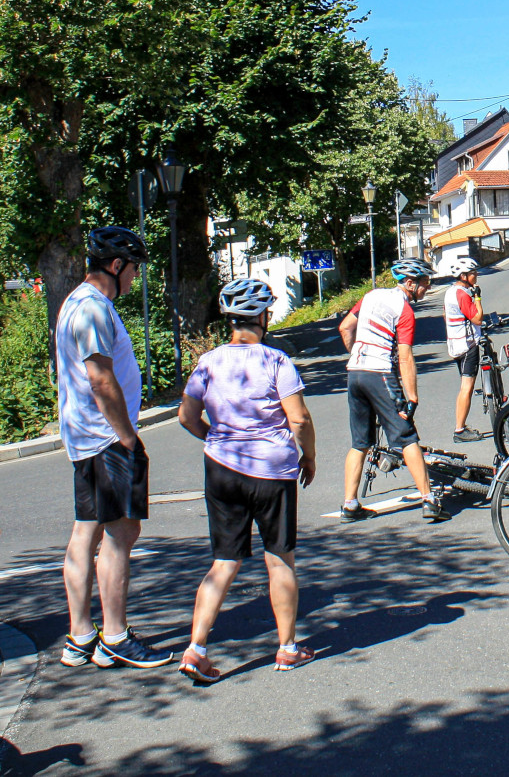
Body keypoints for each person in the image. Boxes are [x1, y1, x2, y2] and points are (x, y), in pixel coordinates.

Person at [177, 279, 317, 682]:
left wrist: (216, 439)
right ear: (261, 317)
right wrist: (307, 456)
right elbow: (299, 418)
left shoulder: (208, 362)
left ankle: (196, 648)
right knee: (280, 558)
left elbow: (186, 417)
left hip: (222, 468)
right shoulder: (276, 361)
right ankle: (287, 648)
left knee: (223, 561)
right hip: (272, 471)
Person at [57, 226, 172, 669]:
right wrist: (127, 435)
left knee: (86, 532)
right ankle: (115, 637)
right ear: (117, 265)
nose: (134, 279)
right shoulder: (92, 308)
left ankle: (80, 636)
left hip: (84, 435)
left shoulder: (74, 302)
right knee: (121, 534)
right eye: (134, 269)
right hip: (105, 438)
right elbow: (100, 378)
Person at [339, 259, 443, 522]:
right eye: (424, 284)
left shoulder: (371, 295)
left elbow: (345, 328)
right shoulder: (404, 310)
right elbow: (405, 356)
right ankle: (429, 500)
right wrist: (412, 398)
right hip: (380, 374)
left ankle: (350, 505)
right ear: (410, 283)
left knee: (360, 442)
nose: (426, 289)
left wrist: (357, 356)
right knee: (407, 437)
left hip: (355, 373)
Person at [443, 257, 485, 443]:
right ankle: (460, 430)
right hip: (468, 346)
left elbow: (445, 315)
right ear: (464, 276)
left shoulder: (450, 291)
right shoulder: (463, 294)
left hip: (455, 343)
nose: (476, 276)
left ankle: (460, 427)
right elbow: (477, 318)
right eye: (473, 273)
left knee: (464, 386)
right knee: (466, 388)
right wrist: (477, 297)